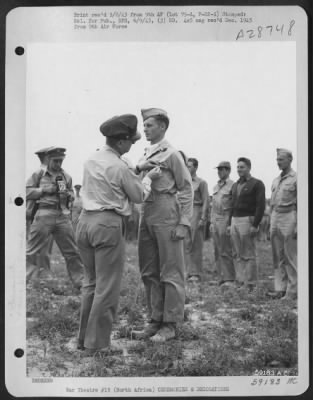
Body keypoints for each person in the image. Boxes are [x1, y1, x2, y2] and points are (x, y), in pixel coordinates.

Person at [76, 114, 161, 353]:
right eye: (131, 142)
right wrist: (148, 178)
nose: (132, 145)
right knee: (107, 286)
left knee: (90, 284)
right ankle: (99, 344)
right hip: (107, 224)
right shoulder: (121, 166)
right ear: (122, 142)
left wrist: (136, 168)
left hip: (84, 222)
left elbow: (110, 175)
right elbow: (138, 196)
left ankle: (83, 339)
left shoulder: (92, 159)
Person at [135, 108, 193, 342]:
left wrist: (184, 222)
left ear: (162, 127)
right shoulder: (147, 153)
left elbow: (186, 188)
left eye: (149, 125)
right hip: (147, 211)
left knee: (170, 270)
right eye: (145, 125)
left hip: (166, 210)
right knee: (149, 270)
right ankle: (154, 319)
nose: (145, 129)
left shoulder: (171, 154)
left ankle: (169, 324)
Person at [26, 147, 84, 289]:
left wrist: (69, 195)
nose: (59, 164)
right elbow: (26, 192)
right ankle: (29, 280)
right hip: (43, 213)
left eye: (61, 161)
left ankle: (80, 281)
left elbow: (70, 191)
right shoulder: (38, 174)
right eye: (56, 161)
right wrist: (43, 190)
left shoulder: (66, 176)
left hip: (62, 216)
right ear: (48, 160)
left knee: (72, 251)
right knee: (33, 250)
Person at [228, 157, 265, 290]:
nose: (239, 170)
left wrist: (255, 224)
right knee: (237, 253)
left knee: (248, 253)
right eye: (238, 167)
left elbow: (260, 206)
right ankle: (241, 281)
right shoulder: (235, 185)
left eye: (242, 167)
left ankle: (251, 283)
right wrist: (229, 223)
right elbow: (232, 205)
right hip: (235, 220)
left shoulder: (257, 184)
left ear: (249, 168)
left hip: (247, 220)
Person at [268, 148, 297, 300]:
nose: (278, 162)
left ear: (290, 160)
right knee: (277, 255)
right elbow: (272, 203)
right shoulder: (276, 180)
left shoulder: (296, 178)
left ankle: (292, 291)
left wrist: (298, 225)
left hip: (289, 215)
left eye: (281, 159)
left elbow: (302, 204)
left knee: (289, 254)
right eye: (277, 160)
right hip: (275, 216)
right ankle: (280, 288)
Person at [210, 161, 236, 286]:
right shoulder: (216, 186)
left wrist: (230, 223)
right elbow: (213, 206)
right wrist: (211, 221)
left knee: (226, 249)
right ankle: (221, 276)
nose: (219, 172)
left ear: (228, 170)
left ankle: (229, 278)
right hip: (215, 218)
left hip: (225, 218)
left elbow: (234, 206)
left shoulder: (232, 185)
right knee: (217, 249)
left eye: (222, 169)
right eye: (218, 169)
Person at [184, 158, 208, 281]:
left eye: (189, 166)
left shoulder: (201, 182)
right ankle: (187, 271)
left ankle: (196, 273)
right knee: (185, 242)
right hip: (185, 212)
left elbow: (205, 201)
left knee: (196, 243)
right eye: (186, 166)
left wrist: (203, 218)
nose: (187, 168)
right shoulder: (183, 182)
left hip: (196, 210)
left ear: (195, 168)